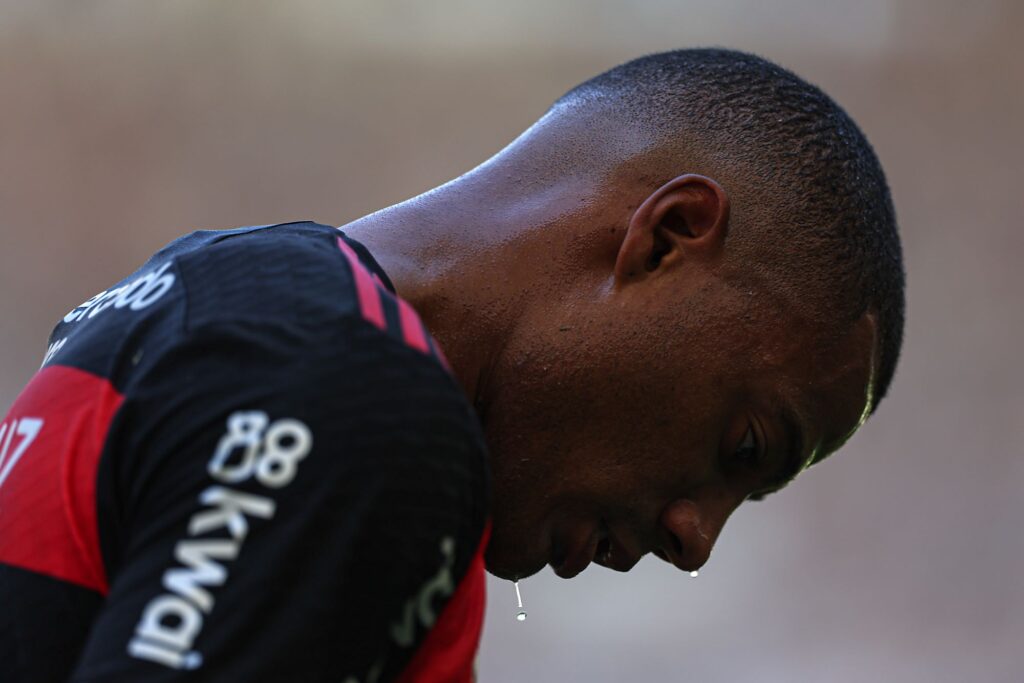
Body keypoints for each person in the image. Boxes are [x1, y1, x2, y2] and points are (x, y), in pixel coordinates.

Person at [0, 48, 904, 682]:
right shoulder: (360, 399)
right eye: (744, 446)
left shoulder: (221, 292)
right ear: (665, 239)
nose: (695, 538)